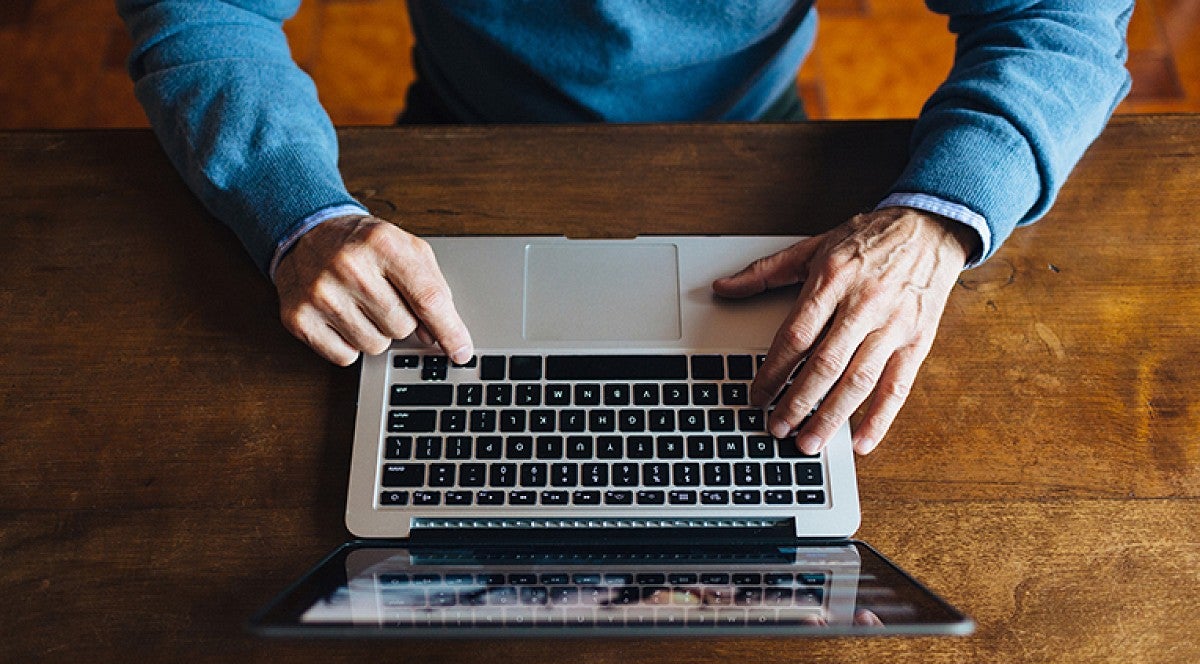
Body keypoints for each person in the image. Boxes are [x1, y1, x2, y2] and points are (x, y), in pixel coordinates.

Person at [116, 1, 1132, 456]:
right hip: (458, 150)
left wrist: (934, 223)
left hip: (762, 174)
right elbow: (200, 10)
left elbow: (1062, 15)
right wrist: (297, 211)